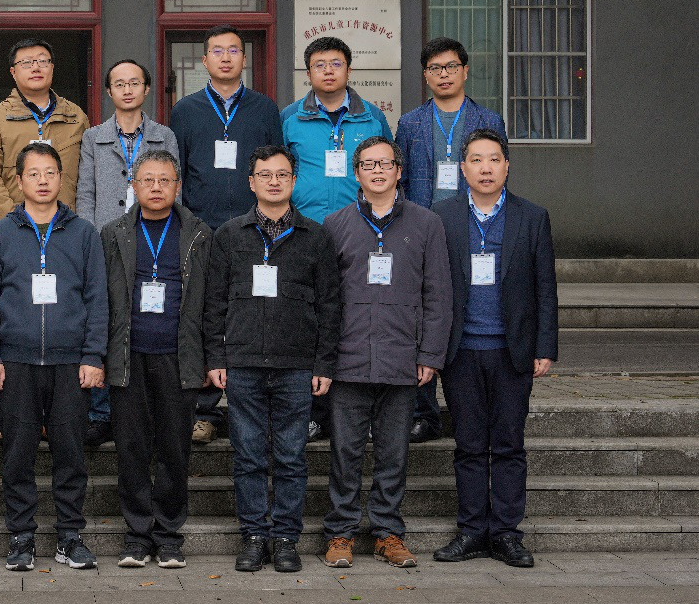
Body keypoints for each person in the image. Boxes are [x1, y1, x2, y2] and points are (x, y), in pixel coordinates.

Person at [204, 146, 341, 573]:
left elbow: (330, 306)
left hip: (296, 365)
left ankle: (284, 539)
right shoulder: (229, 235)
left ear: (294, 181)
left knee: (290, 457)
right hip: (242, 363)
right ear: (251, 182)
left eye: (282, 174)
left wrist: (324, 364)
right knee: (247, 457)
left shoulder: (315, 237)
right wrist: (216, 357)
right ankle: (253, 536)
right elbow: (214, 303)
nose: (274, 181)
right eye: (265, 174)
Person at [0, 142, 108, 572]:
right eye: (33, 173)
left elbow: (97, 299)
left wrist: (93, 355)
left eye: (50, 172)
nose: (43, 181)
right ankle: (22, 536)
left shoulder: (83, 233)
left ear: (61, 178)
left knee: (71, 453)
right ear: (19, 180)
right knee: (17, 453)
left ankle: (70, 535)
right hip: (16, 362)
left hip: (71, 363)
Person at [320, 137, 453, 571]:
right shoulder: (335, 224)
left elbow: (438, 295)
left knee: (394, 454)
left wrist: (430, 353)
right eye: (368, 164)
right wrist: (324, 358)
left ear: (399, 170)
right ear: (356, 172)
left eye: (385, 163)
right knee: (345, 452)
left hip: (402, 358)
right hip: (349, 358)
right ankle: (340, 532)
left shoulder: (427, 223)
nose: (377, 171)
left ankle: (387, 533)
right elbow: (325, 299)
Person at [431, 129, 557, 569]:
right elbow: (432, 287)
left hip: (512, 351)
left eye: (494, 159)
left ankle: (505, 534)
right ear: (462, 168)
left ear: (507, 166)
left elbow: (545, 287)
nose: (485, 168)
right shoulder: (442, 216)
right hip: (461, 350)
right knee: (468, 444)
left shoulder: (532, 216)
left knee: (508, 444)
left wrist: (545, 346)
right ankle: (470, 531)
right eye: (476, 160)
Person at [169, 24, 283, 445]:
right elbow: (178, 171)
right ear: (204, 60)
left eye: (233, 50)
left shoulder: (264, 109)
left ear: (244, 59)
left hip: (254, 229)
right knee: (204, 313)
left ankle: (253, 405)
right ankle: (203, 410)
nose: (225, 57)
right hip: (202, 229)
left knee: (253, 311)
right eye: (217, 51)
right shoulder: (186, 110)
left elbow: (276, 165)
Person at [100, 149, 210, 570]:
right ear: (134, 185)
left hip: (179, 356)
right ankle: (136, 535)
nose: (157, 187)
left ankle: (168, 536)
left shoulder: (198, 233)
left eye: (165, 180)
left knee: (174, 449)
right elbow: (101, 299)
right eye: (148, 180)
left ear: (178, 186)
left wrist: (209, 357)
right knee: (131, 448)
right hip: (128, 355)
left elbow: (211, 300)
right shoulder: (113, 233)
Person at [395, 37, 508, 444]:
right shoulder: (410, 123)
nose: (443, 74)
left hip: (472, 231)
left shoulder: (488, 119)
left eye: (451, 67)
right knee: (421, 319)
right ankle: (424, 413)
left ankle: (470, 408)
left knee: (466, 314)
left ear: (465, 70)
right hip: (422, 231)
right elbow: (401, 181)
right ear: (425, 75)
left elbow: (499, 176)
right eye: (435, 68)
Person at [281, 36, 391, 443]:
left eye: (336, 63)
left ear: (349, 68)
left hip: (359, 233)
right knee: (308, 320)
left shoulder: (372, 118)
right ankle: (311, 412)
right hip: (303, 233)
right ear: (308, 72)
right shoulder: (290, 118)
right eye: (319, 64)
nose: (328, 70)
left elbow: (388, 170)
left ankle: (359, 410)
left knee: (355, 317)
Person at [77, 59, 179, 448]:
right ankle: (102, 412)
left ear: (147, 89)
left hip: (153, 237)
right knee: (108, 320)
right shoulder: (94, 137)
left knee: (147, 321)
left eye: (135, 82)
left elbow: (176, 186)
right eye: (119, 83)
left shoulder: (164, 135)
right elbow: (86, 192)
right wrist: (90, 240)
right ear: (109, 91)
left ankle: (148, 410)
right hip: (107, 242)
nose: (127, 89)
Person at [0, 38, 89, 224]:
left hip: (65, 225)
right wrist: (13, 222)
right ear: (13, 72)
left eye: (43, 61)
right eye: (26, 62)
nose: (36, 68)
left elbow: (88, 178)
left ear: (52, 67)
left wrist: (77, 223)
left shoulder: (75, 117)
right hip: (14, 228)